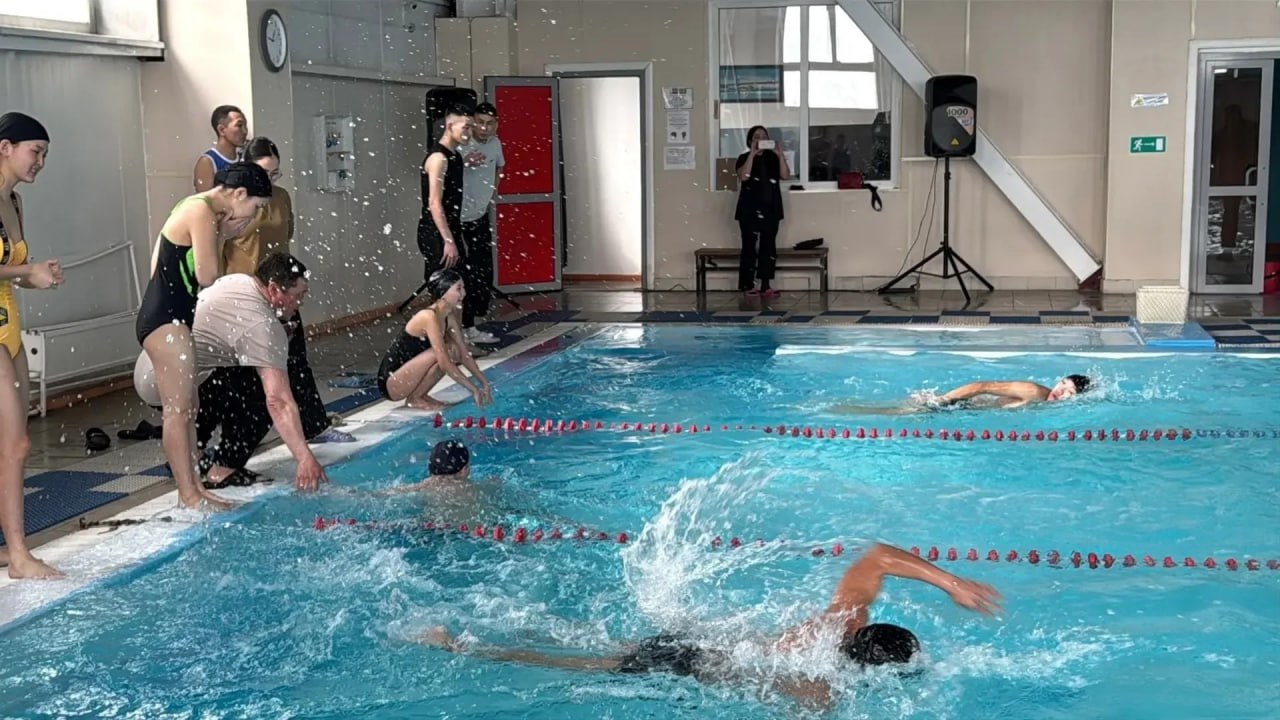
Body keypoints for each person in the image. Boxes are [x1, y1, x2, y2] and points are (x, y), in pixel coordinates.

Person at [420, 542, 1002, 710]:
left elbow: (877, 557)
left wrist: (952, 583)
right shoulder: (819, 691)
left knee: (594, 645)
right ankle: (463, 648)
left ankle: (474, 636)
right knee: (582, 664)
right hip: (685, 662)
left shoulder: (841, 619)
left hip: (695, 642)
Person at [136, 161, 272, 511]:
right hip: (166, 321)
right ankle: (189, 495)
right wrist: (224, 233)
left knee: (189, 409)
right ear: (239, 194)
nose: (253, 216)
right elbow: (208, 275)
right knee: (177, 411)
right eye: (256, 207)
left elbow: (157, 264)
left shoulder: (190, 206)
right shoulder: (203, 211)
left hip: (166, 315)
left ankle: (195, 487)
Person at [189, 252, 328, 492]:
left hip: (165, 373)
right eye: (297, 296)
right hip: (172, 385)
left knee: (233, 379)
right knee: (262, 396)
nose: (300, 304)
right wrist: (304, 458)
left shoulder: (238, 280)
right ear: (273, 289)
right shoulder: (262, 324)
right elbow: (278, 401)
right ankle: (220, 468)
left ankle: (191, 453)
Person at [0, 112, 64, 579]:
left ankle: (11, 545)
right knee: (17, 443)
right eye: (35, 151)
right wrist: (27, 271)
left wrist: (36, 278)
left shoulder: (14, 201)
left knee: (10, 442)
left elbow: (13, 273)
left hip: (9, 327)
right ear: (5, 148)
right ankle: (20, 554)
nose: (40, 161)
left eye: (44, 154)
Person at [378, 268, 493, 412]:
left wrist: (484, 383)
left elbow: (464, 355)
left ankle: (420, 395)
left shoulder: (448, 317)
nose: (463, 293)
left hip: (408, 376)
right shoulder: (428, 316)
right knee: (445, 352)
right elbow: (444, 362)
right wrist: (473, 389)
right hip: (392, 383)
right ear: (442, 293)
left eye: (463, 288)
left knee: (454, 350)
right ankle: (415, 398)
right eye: (458, 288)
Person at [456, 101, 504, 346]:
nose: (484, 128)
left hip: (480, 215)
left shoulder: (496, 144)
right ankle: (462, 328)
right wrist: (464, 163)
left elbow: (499, 167)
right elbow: (444, 174)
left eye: (489, 123)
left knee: (482, 271)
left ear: (496, 124)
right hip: (459, 218)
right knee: (462, 274)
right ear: (472, 123)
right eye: (480, 123)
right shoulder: (460, 145)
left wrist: (492, 193)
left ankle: (473, 321)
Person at [833, 374, 1094, 415]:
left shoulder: (1050, 407)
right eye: (1062, 384)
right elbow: (981, 385)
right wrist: (942, 401)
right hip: (952, 408)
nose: (1060, 392)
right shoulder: (1034, 391)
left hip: (961, 412)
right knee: (888, 413)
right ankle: (841, 410)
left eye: (1069, 392)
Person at [417, 105, 471, 284]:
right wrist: (448, 240)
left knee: (459, 284)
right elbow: (434, 203)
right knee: (445, 286)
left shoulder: (455, 157)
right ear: (450, 126)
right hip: (435, 230)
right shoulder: (438, 159)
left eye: (471, 128)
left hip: (450, 227)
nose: (469, 133)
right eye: (465, 128)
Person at [735, 125, 790, 298]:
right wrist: (752, 154)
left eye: (764, 136)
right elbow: (744, 176)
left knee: (768, 246)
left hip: (771, 208)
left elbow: (785, 175)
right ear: (750, 140)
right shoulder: (743, 157)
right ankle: (747, 284)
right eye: (756, 137)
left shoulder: (773, 158)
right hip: (749, 208)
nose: (760, 139)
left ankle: (766, 285)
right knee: (749, 246)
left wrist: (780, 155)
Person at [193, 105, 248, 193]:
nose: (245, 131)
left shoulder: (245, 159)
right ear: (222, 130)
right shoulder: (208, 162)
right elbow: (205, 199)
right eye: (239, 125)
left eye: (245, 126)